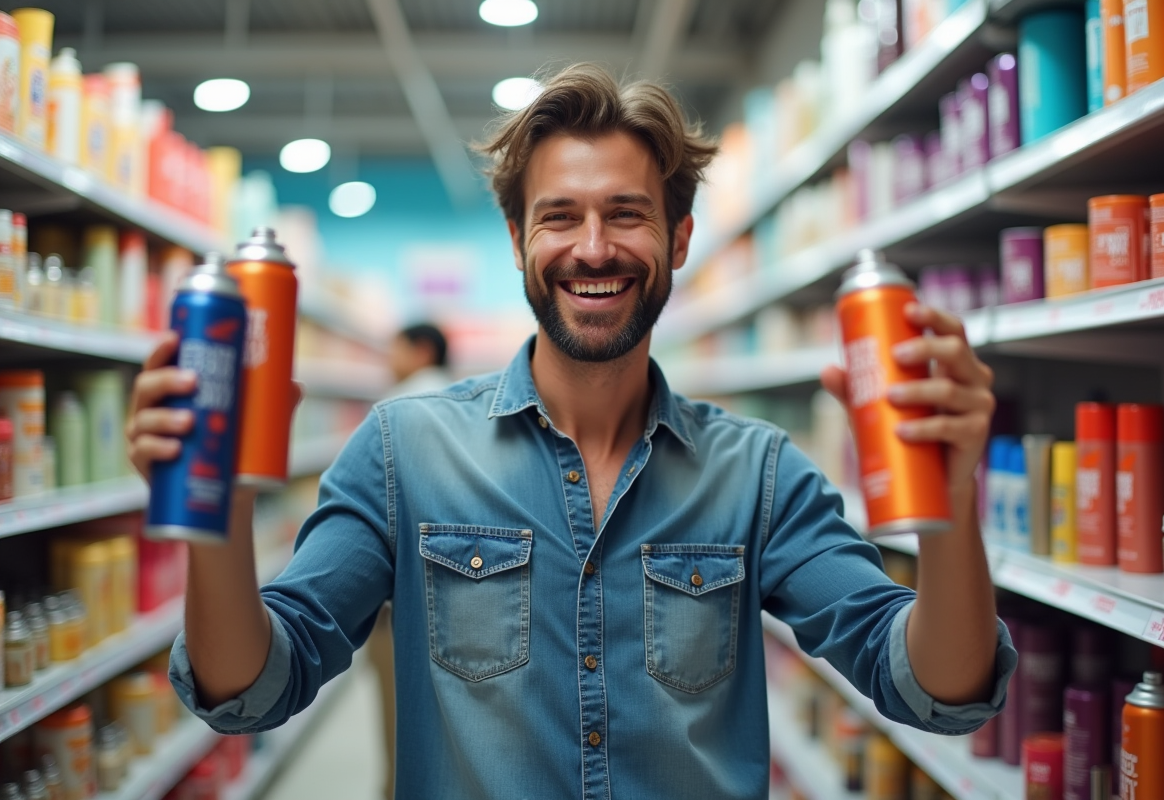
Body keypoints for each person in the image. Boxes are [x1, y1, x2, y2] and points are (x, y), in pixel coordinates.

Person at [127, 64, 1015, 799]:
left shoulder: (759, 476)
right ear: (517, 240)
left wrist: (952, 501)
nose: (594, 247)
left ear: (679, 236)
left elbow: (935, 687)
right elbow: (251, 688)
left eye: (627, 213)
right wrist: (217, 502)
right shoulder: (404, 452)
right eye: (559, 216)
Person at [372, 321, 453, 798]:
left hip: (401, 610)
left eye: (395, 348)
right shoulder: (476, 407)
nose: (389, 358)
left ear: (421, 351)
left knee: (400, 731)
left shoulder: (397, 411)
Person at [387, 322, 452, 398]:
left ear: (422, 352)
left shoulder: (415, 394)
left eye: (398, 349)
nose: (391, 357)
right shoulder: (446, 389)